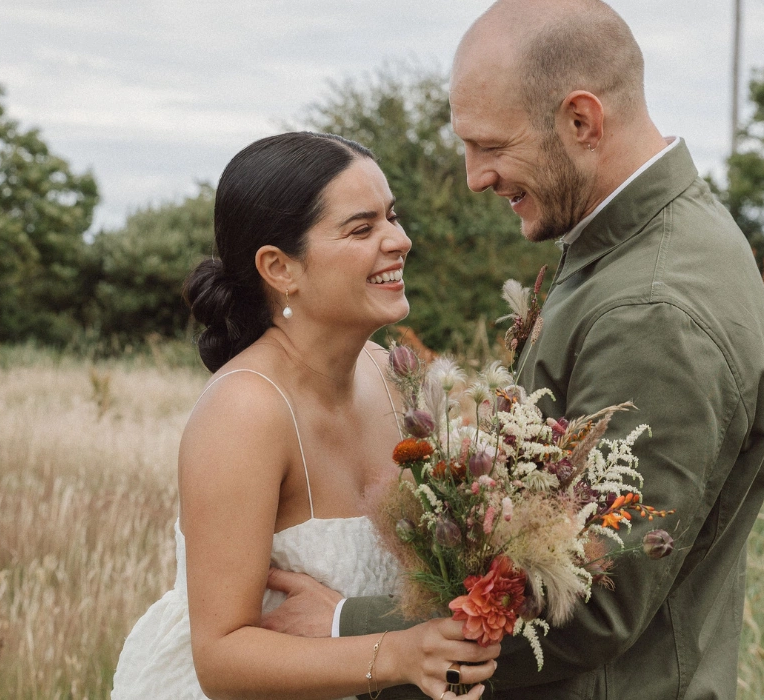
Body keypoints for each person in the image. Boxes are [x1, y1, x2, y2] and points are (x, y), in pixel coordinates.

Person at [258, 2, 764, 698]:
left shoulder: (652, 310)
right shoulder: (631, 244)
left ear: (581, 121)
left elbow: (593, 602)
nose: (475, 177)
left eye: (492, 146)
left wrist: (348, 628)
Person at [110, 131, 499, 700]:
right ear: (279, 267)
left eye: (393, 217)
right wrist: (396, 651)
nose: (401, 241)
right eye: (362, 229)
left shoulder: (395, 377)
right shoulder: (245, 410)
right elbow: (221, 658)